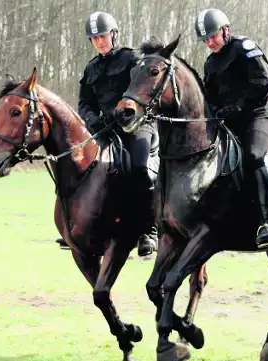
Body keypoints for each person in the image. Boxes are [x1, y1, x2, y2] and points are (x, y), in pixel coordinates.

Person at [55, 11, 158, 256]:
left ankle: (149, 230)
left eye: (102, 36)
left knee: (139, 168)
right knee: (77, 168)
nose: (99, 42)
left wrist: (126, 115)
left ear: (113, 35)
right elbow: (84, 103)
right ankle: (79, 228)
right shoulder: (91, 68)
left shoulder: (132, 59)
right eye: (94, 39)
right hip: (103, 130)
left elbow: (145, 92)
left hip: (136, 127)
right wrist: (92, 120)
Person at [195, 8, 268, 248]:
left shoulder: (244, 47)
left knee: (252, 157)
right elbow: (209, 97)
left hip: (258, 115)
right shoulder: (210, 63)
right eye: (206, 39)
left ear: (225, 30)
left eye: (213, 36)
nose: (210, 42)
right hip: (230, 121)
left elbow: (262, 83)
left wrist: (235, 108)